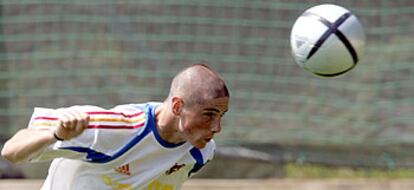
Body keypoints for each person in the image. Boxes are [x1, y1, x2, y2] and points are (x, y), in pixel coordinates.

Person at [1, 64, 229, 190]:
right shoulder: (111, 128)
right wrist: (55, 134)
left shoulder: (199, 153)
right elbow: (11, 151)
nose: (217, 127)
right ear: (178, 106)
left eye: (221, 115)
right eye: (209, 114)